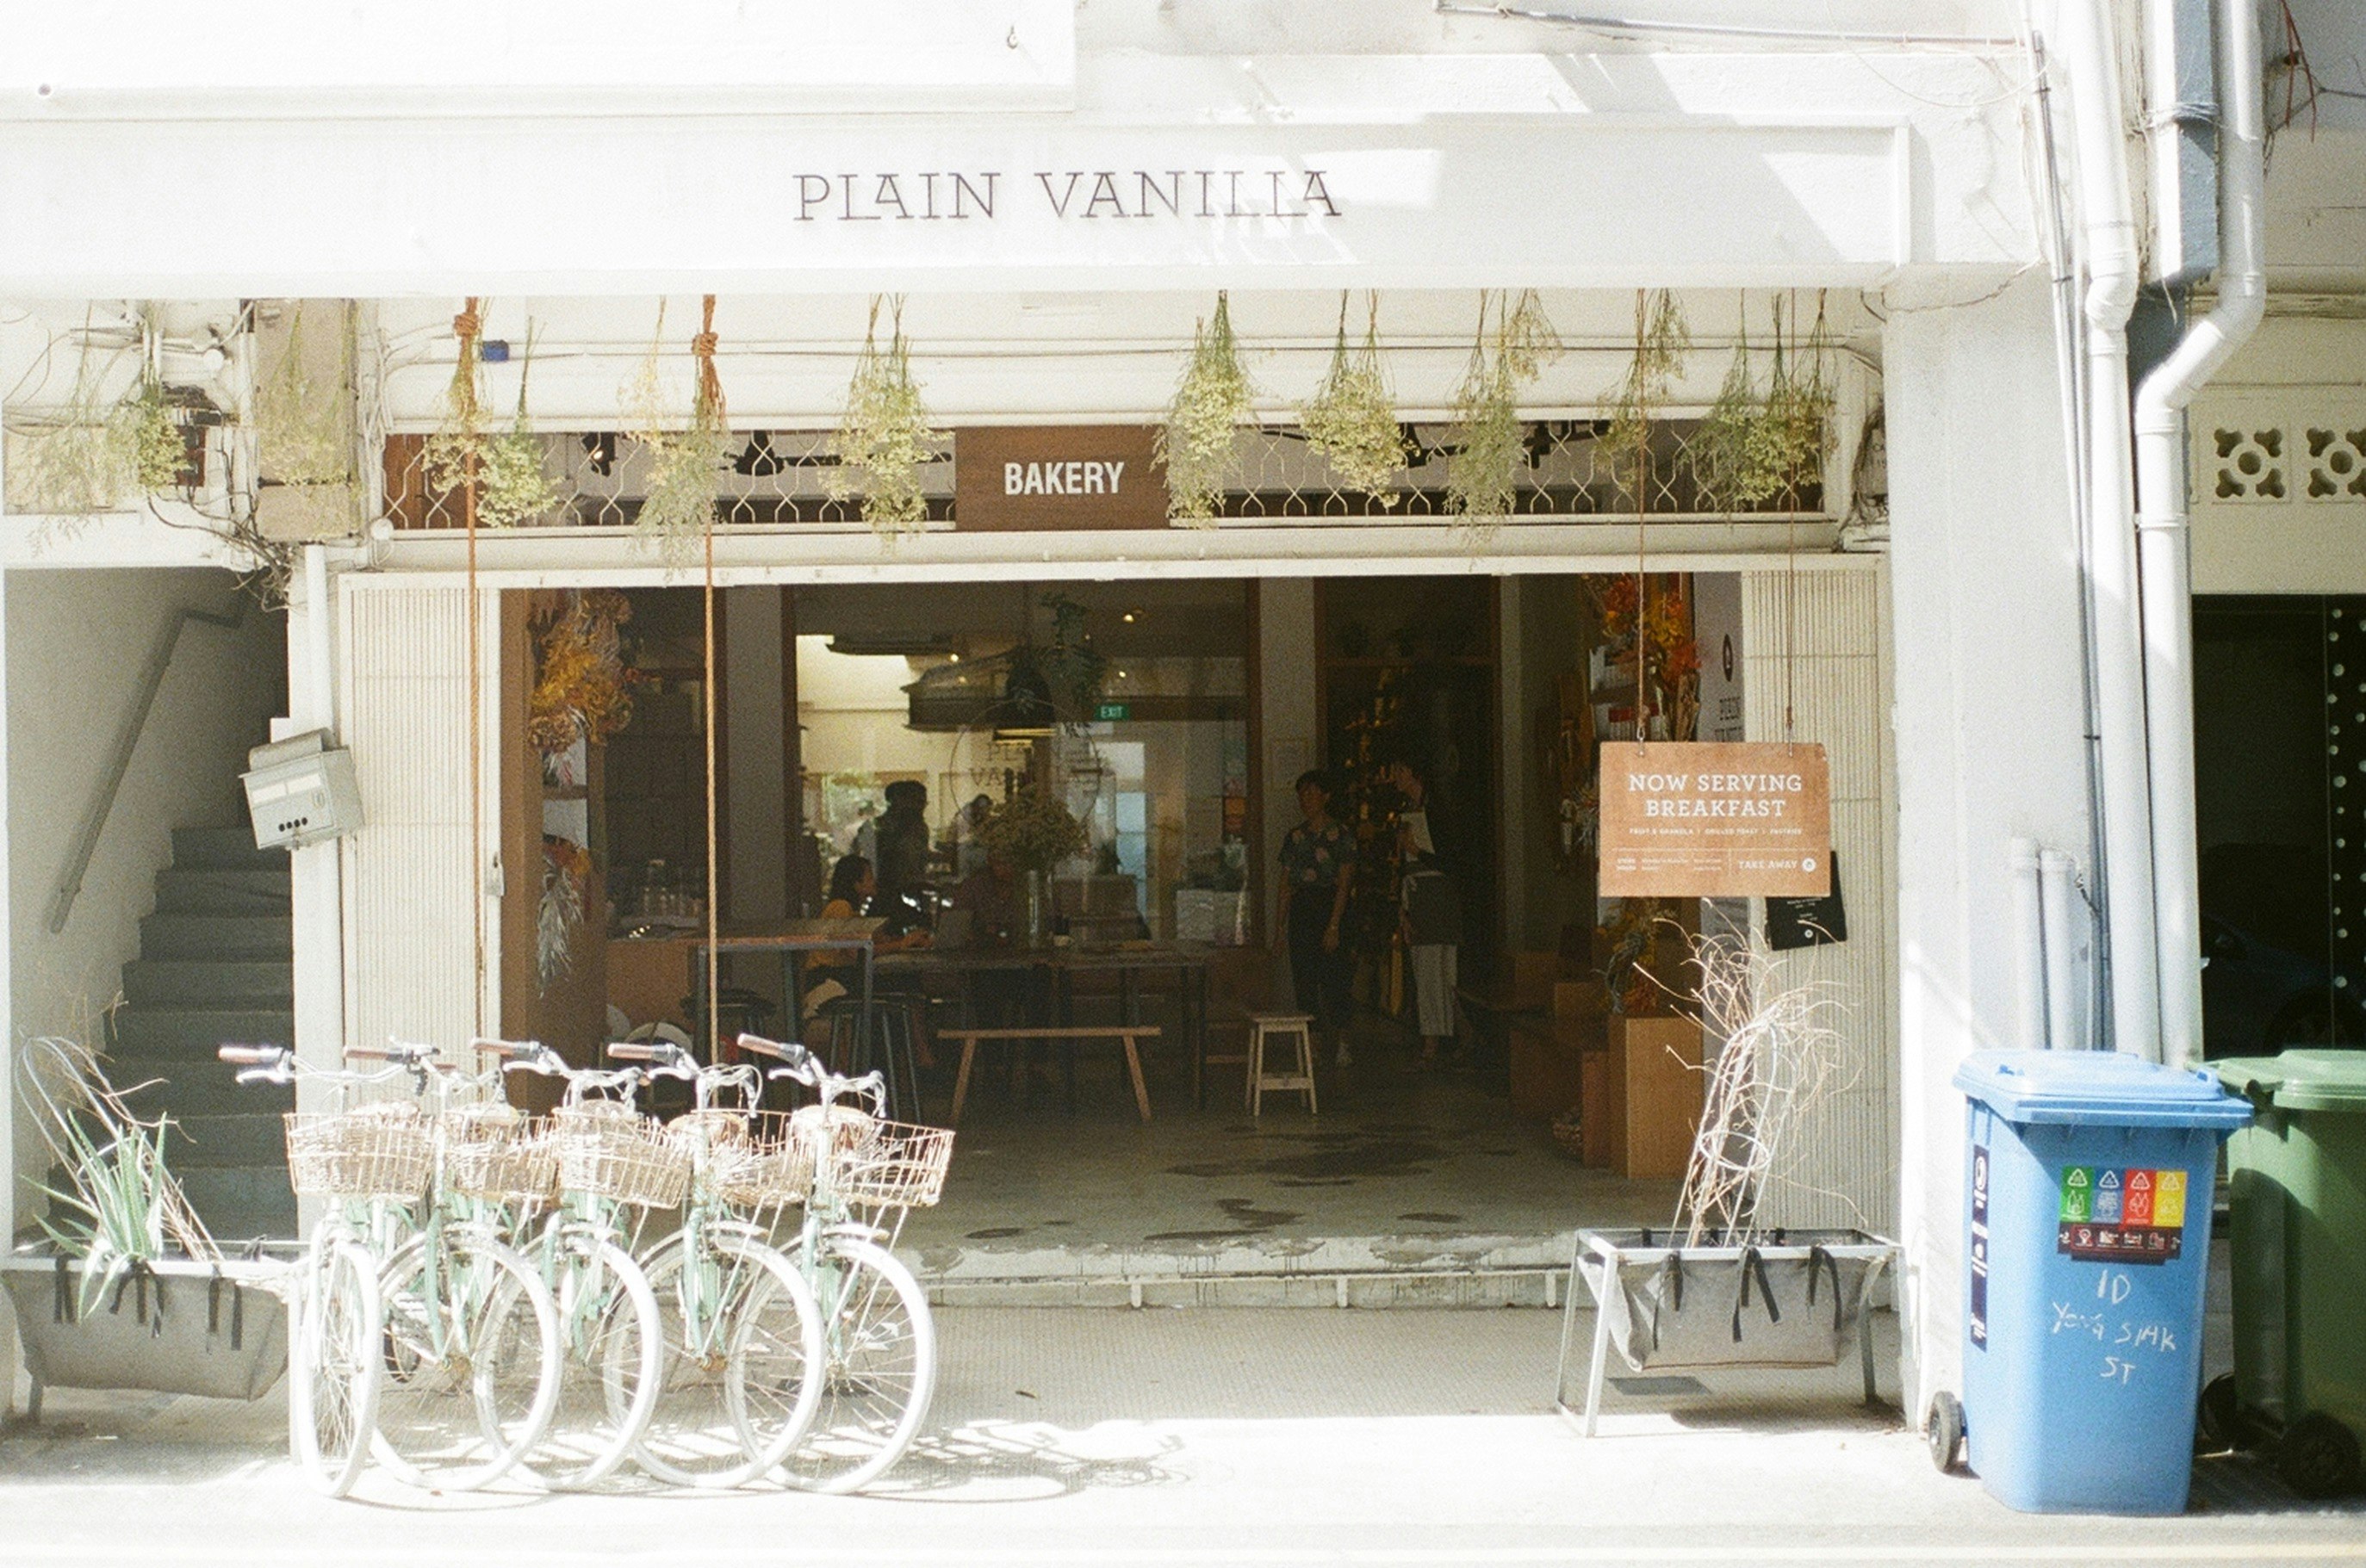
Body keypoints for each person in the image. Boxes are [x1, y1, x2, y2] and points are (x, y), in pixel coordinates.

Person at [1276, 768, 1355, 1067]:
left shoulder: (1341, 835)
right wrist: (1279, 929)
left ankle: (1343, 1041)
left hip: (1331, 906)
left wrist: (1334, 924)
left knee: (1336, 976)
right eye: (1302, 795)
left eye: (1311, 793)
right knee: (1305, 978)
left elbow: (1345, 882)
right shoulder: (1295, 838)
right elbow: (1285, 885)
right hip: (1303, 909)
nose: (1305, 800)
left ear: (1326, 796)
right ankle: (1314, 1043)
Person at [873, 780, 933, 932]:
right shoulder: (882, 828)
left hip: (912, 893)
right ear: (900, 802)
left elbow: (919, 858)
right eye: (918, 802)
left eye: (924, 802)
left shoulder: (919, 827)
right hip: (889, 896)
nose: (922, 807)